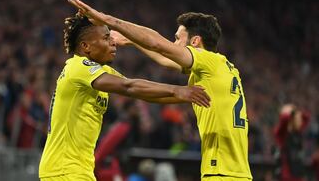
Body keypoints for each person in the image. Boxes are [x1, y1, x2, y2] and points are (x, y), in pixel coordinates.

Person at [68, 0, 252, 180]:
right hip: (236, 172)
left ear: (195, 42)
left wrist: (109, 20)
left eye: (178, 38)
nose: (174, 44)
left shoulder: (208, 61)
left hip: (221, 172)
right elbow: (164, 59)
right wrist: (131, 41)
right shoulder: (220, 69)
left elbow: (158, 44)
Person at [38, 12, 211, 181]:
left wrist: (189, 96)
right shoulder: (78, 67)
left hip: (77, 170)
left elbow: (145, 92)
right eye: (106, 38)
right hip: (64, 170)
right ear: (86, 46)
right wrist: (178, 90)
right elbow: (129, 86)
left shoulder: (100, 72)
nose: (113, 42)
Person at [274, 104, 310, 181]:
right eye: (296, 117)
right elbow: (284, 119)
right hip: (287, 175)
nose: (299, 119)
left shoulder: (298, 130)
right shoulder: (281, 133)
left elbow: (307, 117)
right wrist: (292, 112)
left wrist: (296, 111)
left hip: (298, 173)